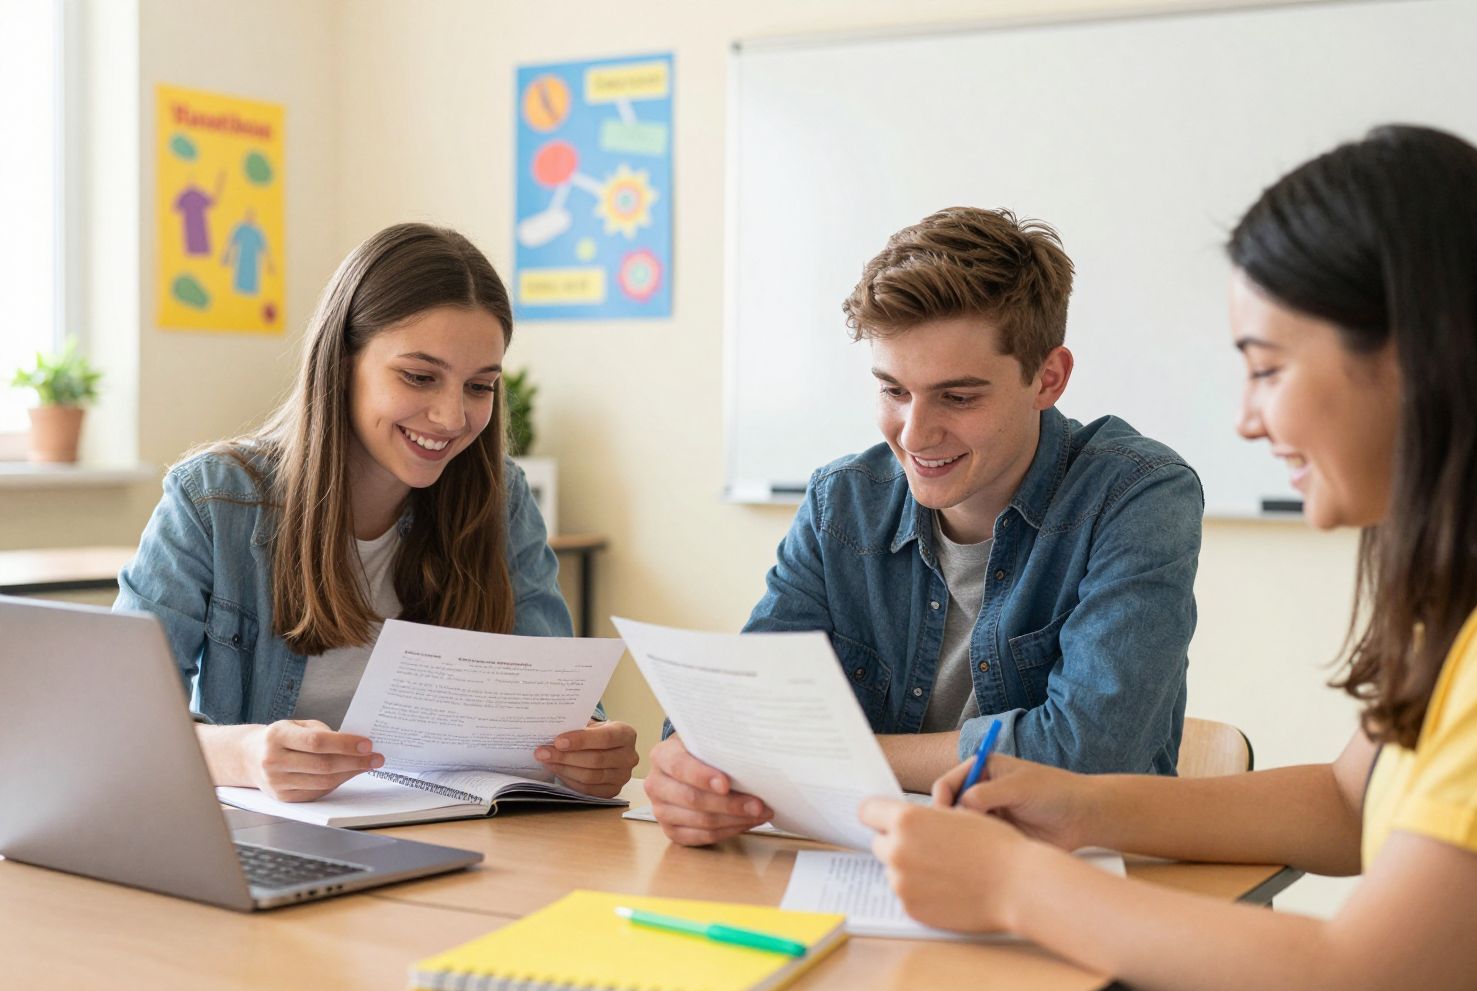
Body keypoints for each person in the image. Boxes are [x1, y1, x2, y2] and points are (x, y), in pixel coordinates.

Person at [861, 125, 1477, 991]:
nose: (1250, 420)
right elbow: (1348, 802)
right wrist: (1084, 806)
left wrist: (1015, 885)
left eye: (1267, 369)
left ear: (1418, 358)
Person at [646, 206, 1205, 846]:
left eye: (958, 397)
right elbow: (740, 715)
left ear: (1047, 379)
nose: (914, 435)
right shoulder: (844, 501)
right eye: (893, 391)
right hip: (869, 868)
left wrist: (821, 760)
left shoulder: (1137, 495)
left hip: (1079, 878)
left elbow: (1084, 753)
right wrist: (692, 773)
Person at [116, 223, 639, 803]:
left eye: (479, 386)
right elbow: (114, 719)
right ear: (342, 362)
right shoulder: (214, 499)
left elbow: (563, 715)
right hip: (281, 836)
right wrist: (245, 755)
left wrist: (590, 750)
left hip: (469, 840)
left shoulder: (500, 499)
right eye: (419, 377)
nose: (450, 417)